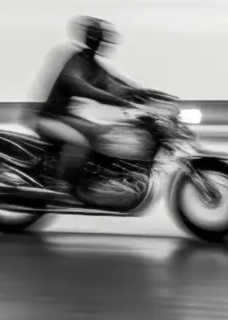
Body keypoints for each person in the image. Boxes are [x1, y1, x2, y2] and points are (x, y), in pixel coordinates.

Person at [29, 18, 173, 195]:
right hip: (49, 119)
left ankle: (97, 179)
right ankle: (62, 187)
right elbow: (82, 87)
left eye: (102, 39)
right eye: (99, 39)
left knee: (101, 133)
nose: (101, 43)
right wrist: (120, 102)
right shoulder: (77, 62)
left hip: (66, 118)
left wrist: (149, 94)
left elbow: (118, 87)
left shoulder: (94, 66)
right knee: (80, 143)